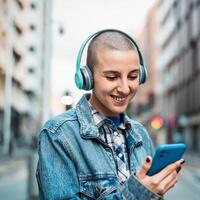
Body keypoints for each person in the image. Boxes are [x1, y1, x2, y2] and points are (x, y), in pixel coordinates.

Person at [36, 29, 185, 200]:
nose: (125, 88)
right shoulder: (59, 135)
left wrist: (155, 191)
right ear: (87, 78)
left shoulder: (141, 134)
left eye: (133, 76)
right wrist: (138, 194)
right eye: (112, 77)